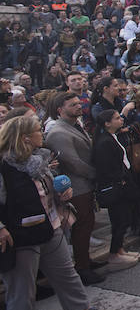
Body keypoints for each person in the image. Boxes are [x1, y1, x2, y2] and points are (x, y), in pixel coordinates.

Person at [0, 115, 109, 310]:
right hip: (19, 237)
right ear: (25, 139)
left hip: (51, 227)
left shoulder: (37, 159)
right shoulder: (3, 167)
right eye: (38, 131)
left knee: (67, 275)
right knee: (22, 291)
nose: (43, 133)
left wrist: (61, 195)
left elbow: (45, 191)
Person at [44, 93, 104, 285]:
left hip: (84, 185)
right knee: (81, 227)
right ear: (60, 110)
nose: (79, 107)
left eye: (79, 103)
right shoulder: (59, 133)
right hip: (76, 187)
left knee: (87, 224)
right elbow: (73, 163)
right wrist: (96, 174)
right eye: (73, 105)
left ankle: (85, 260)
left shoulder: (75, 125)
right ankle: (82, 268)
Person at [92, 110, 140, 268]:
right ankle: (114, 253)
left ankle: (120, 250)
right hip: (116, 187)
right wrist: (121, 180)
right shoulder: (103, 142)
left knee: (123, 219)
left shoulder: (113, 137)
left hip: (122, 183)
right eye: (117, 118)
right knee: (119, 220)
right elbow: (106, 168)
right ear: (107, 123)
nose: (121, 120)